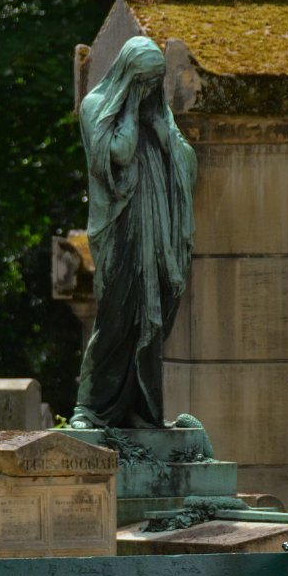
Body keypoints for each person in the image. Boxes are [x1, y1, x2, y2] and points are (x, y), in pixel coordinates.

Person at [70, 36, 197, 429]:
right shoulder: (96, 107)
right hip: (119, 229)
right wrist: (128, 110)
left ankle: (140, 408)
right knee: (116, 315)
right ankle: (89, 408)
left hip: (157, 236)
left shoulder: (157, 112)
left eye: (152, 83)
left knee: (151, 321)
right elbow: (118, 154)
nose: (147, 91)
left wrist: (161, 132)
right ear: (126, 77)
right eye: (140, 83)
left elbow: (187, 162)